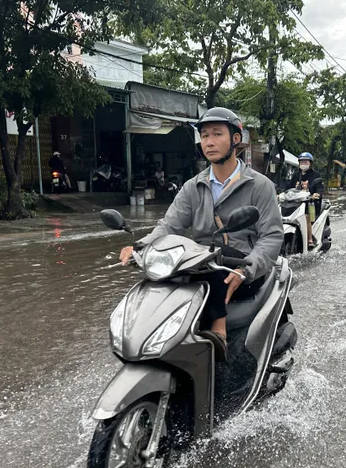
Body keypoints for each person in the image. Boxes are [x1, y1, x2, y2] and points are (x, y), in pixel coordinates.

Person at [119, 107, 283, 359]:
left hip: (241, 267)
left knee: (213, 257)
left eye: (217, 134)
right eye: (204, 136)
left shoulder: (260, 185)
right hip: (203, 264)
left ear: (235, 140)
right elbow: (169, 226)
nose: (209, 142)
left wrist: (246, 269)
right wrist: (140, 247)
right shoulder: (192, 187)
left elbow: (271, 236)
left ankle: (219, 333)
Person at [288, 152, 324, 247]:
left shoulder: (315, 175)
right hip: (296, 202)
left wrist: (317, 194)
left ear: (310, 163)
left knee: (306, 216)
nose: (304, 164)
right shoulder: (296, 175)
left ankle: (310, 240)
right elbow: (288, 188)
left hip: (310, 203)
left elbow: (319, 187)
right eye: (302, 162)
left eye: (306, 162)